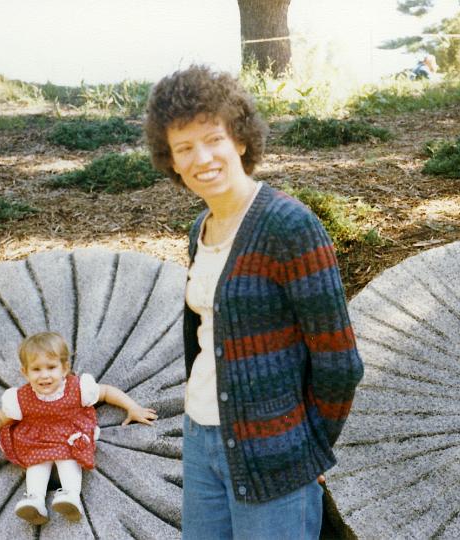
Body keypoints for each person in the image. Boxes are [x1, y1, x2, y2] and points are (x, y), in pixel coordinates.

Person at [144, 65, 364, 539]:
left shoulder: (290, 226)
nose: (202, 157)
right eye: (185, 148)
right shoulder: (198, 231)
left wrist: (307, 449)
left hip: (274, 454)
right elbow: (204, 341)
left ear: (240, 141)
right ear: (173, 162)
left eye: (213, 139)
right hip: (201, 440)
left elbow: (339, 361)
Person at [0, 331, 157, 525]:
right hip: (36, 438)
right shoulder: (21, 398)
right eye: (36, 369)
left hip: (70, 433)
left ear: (65, 368)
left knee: (68, 457)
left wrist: (132, 407)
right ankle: (35, 499)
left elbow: (106, 392)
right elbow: (0, 417)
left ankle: (70, 495)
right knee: (37, 462)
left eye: (51, 367)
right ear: (25, 372)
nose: (44, 375)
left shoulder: (77, 388)